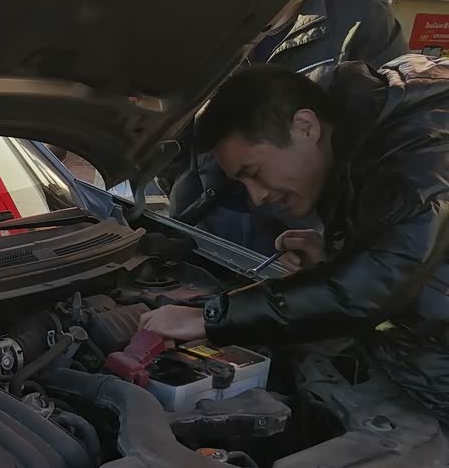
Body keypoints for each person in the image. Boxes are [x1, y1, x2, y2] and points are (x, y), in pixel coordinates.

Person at [141, 59, 449, 421]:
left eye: (254, 172)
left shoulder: (421, 154)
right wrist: (337, 260)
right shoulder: (362, 131)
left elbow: (375, 285)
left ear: (305, 127)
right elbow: (402, 255)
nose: (256, 198)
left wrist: (212, 316)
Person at [164, 0, 405, 253]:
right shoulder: (207, 8)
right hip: (204, 211)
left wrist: (335, 242)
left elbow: (382, 135)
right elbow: (168, 111)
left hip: (301, 228)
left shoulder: (364, 16)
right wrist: (180, 178)